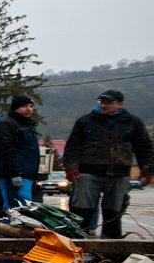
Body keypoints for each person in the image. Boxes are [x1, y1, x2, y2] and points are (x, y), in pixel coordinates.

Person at [61, 89, 154, 238]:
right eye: (102, 102)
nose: (104, 105)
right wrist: (71, 167)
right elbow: (73, 146)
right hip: (88, 172)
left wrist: (147, 170)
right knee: (81, 212)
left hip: (119, 173)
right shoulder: (85, 121)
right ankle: (79, 245)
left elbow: (144, 148)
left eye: (108, 102)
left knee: (113, 214)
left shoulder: (133, 122)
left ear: (119, 104)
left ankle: (110, 248)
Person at [0, 94, 40, 212]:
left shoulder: (28, 125)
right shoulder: (6, 124)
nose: (29, 109)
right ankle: (7, 230)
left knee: (23, 210)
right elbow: (6, 150)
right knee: (16, 210)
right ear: (15, 107)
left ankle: (10, 229)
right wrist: (14, 174)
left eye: (31, 106)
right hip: (14, 175)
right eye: (24, 106)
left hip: (27, 174)